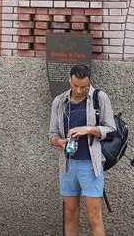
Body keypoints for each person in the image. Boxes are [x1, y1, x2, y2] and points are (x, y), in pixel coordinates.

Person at [48, 65, 114, 236]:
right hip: (68, 165)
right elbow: (52, 134)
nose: (79, 90)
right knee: (70, 214)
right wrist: (60, 142)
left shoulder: (99, 98)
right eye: (75, 85)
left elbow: (111, 129)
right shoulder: (59, 101)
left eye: (83, 86)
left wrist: (89, 129)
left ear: (89, 81)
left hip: (90, 165)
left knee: (94, 216)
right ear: (69, 81)